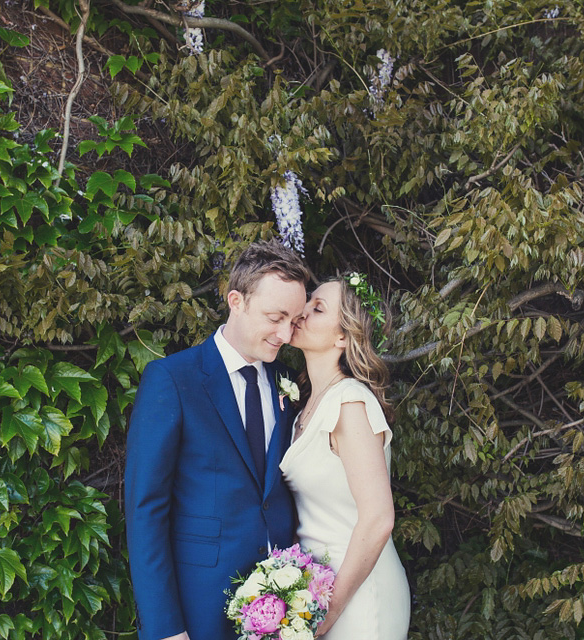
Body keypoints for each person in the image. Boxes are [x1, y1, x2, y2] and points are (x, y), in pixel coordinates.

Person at [124, 240, 310, 640]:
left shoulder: (285, 382)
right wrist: (164, 628)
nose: (285, 334)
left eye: (294, 321)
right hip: (198, 609)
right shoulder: (173, 380)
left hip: (280, 610)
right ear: (236, 301)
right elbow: (145, 512)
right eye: (275, 317)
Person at [280, 273, 411, 639]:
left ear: (343, 336)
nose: (302, 312)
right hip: (318, 591)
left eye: (317, 308)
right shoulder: (306, 406)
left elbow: (379, 518)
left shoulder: (349, 402)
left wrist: (329, 610)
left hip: (357, 595)